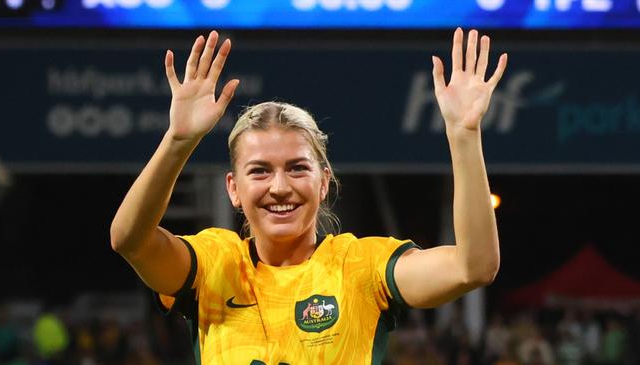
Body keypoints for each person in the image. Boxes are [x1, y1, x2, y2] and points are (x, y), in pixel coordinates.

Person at [110, 28, 507, 364]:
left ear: (323, 182)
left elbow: (474, 268)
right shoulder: (213, 263)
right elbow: (130, 239)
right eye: (260, 171)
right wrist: (178, 141)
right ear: (234, 188)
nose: (279, 187)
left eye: (298, 168)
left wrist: (464, 135)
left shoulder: (362, 268)